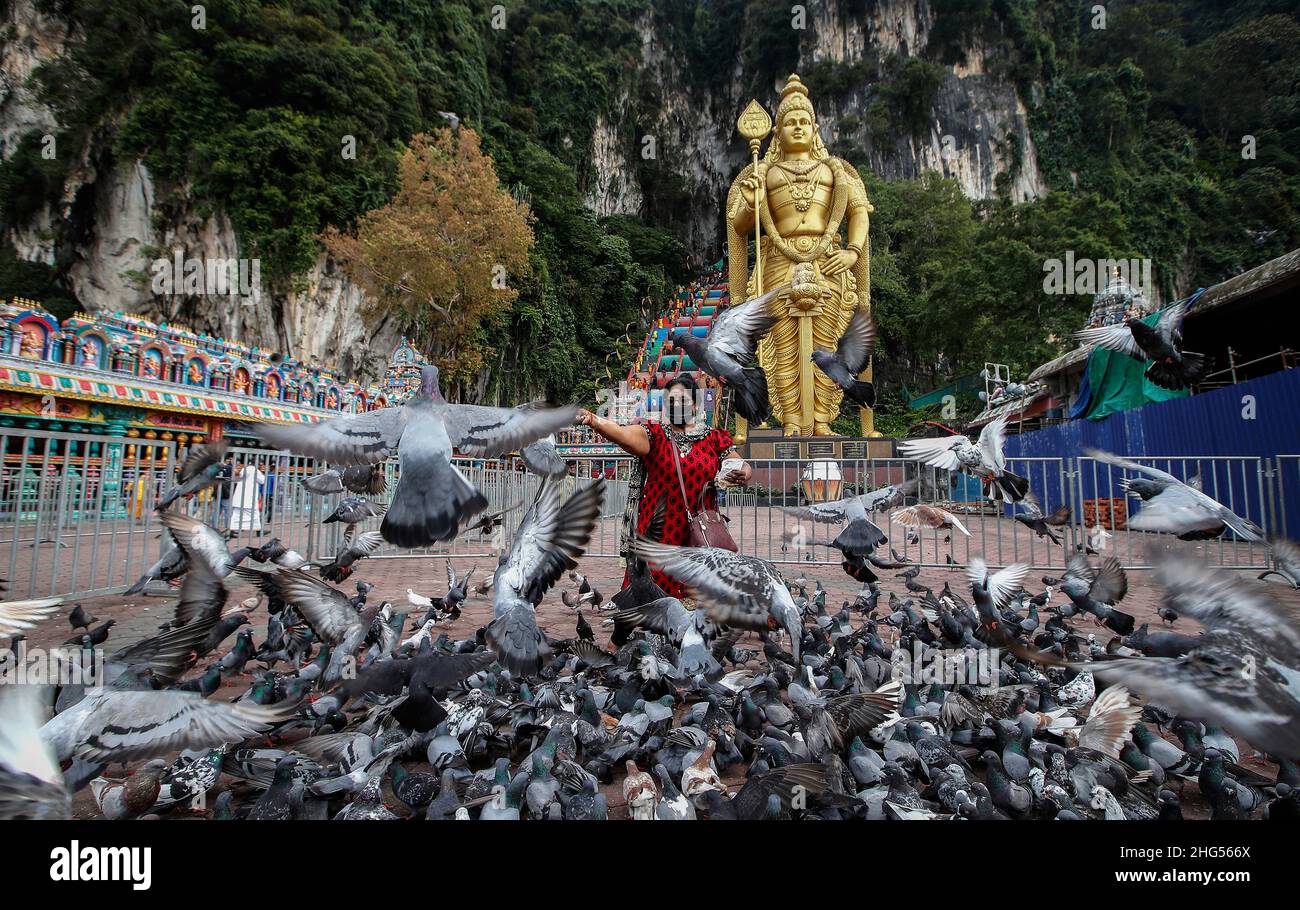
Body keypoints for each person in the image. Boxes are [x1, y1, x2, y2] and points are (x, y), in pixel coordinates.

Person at [576, 374, 752, 598]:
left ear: (696, 404)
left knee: (701, 596)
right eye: (670, 401)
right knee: (654, 595)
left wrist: (743, 473)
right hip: (659, 528)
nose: (675, 405)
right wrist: (593, 419)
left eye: (681, 400)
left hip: (699, 530)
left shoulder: (714, 438)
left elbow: (738, 463)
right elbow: (622, 434)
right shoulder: (654, 435)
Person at [228, 460, 265, 536]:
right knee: (255, 514)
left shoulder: (244, 469)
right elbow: (262, 481)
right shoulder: (256, 471)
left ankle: (231, 531)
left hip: (240, 497)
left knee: (236, 514)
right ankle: (259, 531)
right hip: (249, 497)